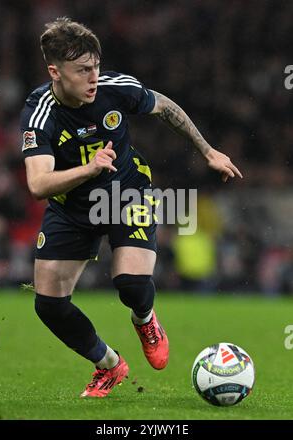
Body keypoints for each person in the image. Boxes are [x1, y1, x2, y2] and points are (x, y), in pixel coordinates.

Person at [20, 17, 242, 398]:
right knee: (49, 305)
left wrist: (207, 151)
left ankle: (145, 319)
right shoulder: (40, 111)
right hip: (71, 206)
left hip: (127, 191)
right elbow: (38, 184)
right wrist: (89, 169)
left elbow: (165, 107)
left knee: (131, 283)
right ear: (55, 72)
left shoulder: (115, 88)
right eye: (82, 70)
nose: (93, 77)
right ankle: (108, 365)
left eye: (96, 67)